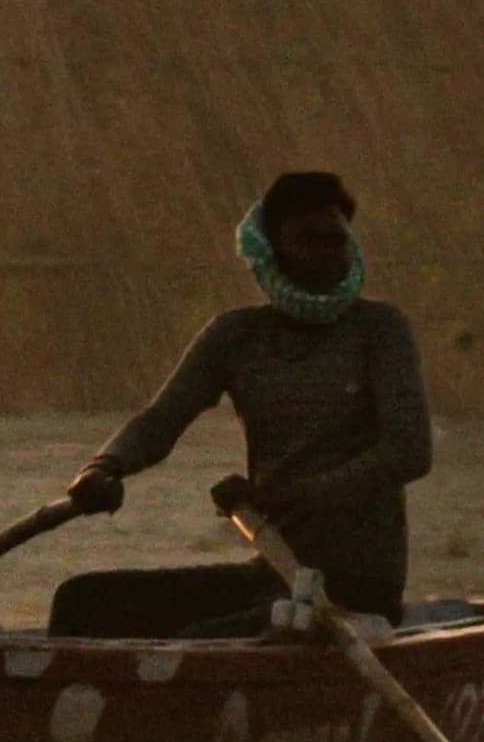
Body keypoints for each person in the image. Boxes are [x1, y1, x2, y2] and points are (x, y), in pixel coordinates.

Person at [49, 171, 433, 639]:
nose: (328, 257)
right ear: (272, 253)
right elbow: (161, 419)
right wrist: (103, 468)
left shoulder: (380, 330)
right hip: (272, 574)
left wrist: (291, 496)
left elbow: (409, 450)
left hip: (356, 589)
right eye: (308, 242)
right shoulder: (237, 336)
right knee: (81, 602)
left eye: (336, 241)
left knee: (196, 644)